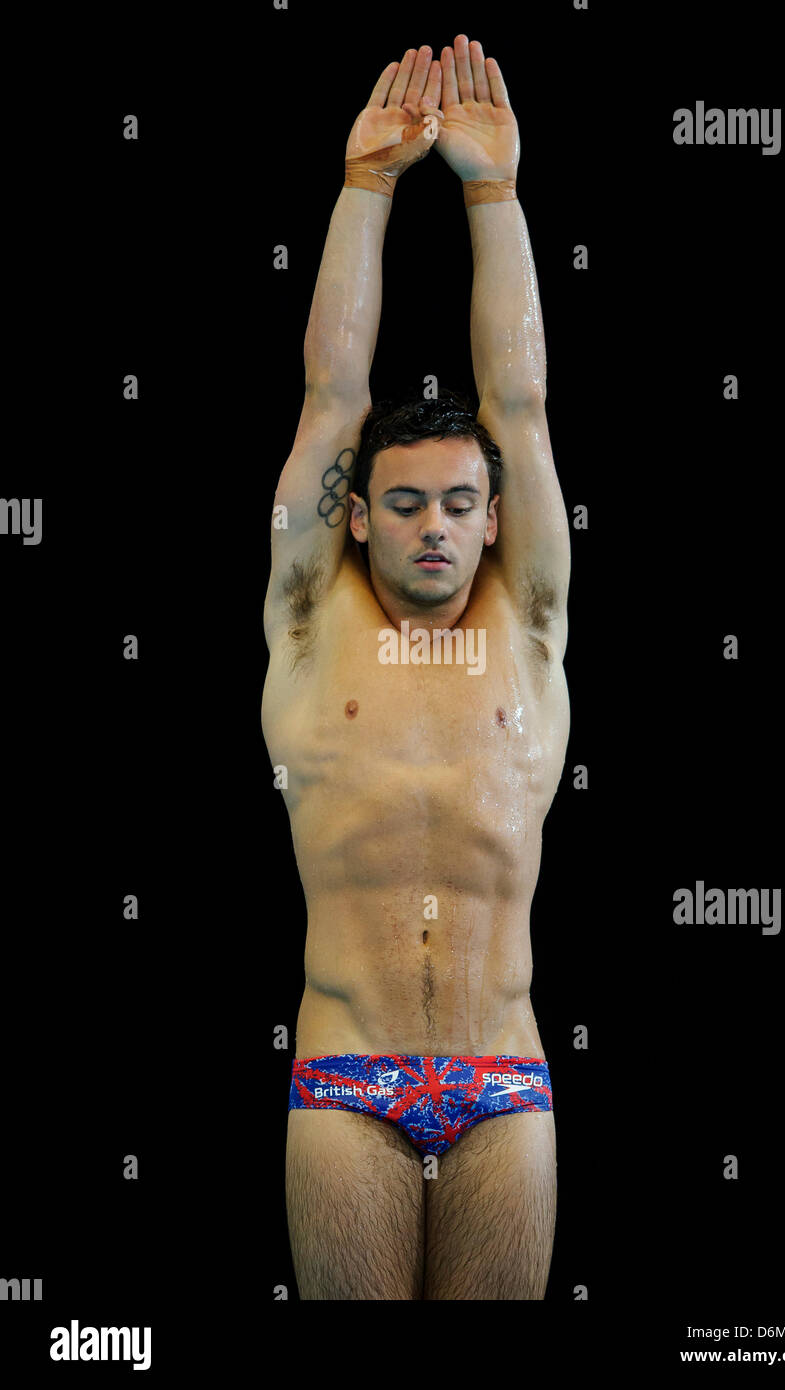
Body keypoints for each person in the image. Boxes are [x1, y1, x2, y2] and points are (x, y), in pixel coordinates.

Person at [261, 34, 571, 1300]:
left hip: (504, 1077)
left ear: (493, 518)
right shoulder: (305, 615)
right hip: (347, 1073)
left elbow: (523, 402)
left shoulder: (530, 621)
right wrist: (369, 187)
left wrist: (493, 196)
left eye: (457, 503)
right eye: (402, 505)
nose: (432, 525)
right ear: (354, 513)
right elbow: (331, 394)